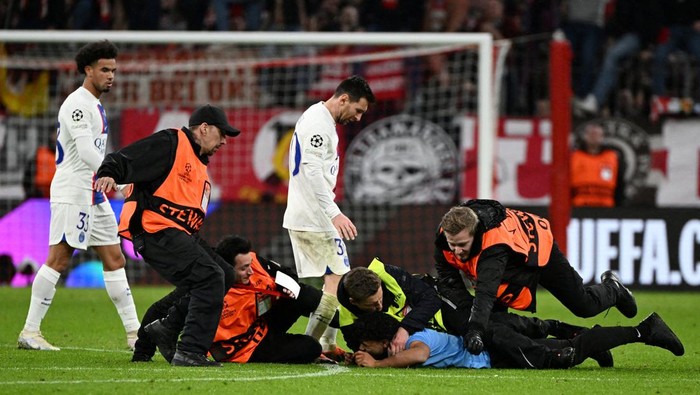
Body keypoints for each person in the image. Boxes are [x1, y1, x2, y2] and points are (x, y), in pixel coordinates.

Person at [93, 104, 241, 367]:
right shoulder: (171, 142)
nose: (224, 142)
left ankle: (158, 329)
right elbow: (126, 157)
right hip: (154, 229)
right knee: (209, 277)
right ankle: (190, 350)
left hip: (178, 233)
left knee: (224, 275)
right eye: (222, 133)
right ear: (204, 129)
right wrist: (108, 172)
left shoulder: (199, 166)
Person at [17, 40, 139, 352]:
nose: (111, 75)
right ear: (88, 70)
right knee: (58, 259)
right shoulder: (77, 104)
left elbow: (95, 151)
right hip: (73, 191)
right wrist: (120, 181)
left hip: (93, 192)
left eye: (113, 70)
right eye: (104, 69)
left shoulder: (95, 103)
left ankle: (135, 335)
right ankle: (30, 332)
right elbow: (85, 151)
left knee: (114, 258)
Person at [434, 199, 637, 356]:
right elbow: (449, 282)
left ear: (475, 233)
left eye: (462, 244)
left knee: (584, 306)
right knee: (495, 325)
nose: (457, 251)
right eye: (453, 244)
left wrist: (474, 330)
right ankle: (574, 341)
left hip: (539, 249)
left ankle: (613, 288)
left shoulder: (493, 246)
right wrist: (464, 321)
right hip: (508, 265)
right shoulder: (446, 237)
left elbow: (486, 291)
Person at [337, 259, 603, 369]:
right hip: (425, 328)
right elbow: (361, 342)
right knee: (493, 335)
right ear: (353, 302)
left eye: (380, 300)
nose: (379, 307)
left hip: (441, 308)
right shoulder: (346, 313)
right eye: (372, 307)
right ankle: (583, 343)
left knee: (489, 329)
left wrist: (404, 329)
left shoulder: (384, 274)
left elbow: (428, 298)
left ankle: (554, 330)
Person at [134, 235, 338, 364]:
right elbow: (159, 310)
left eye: (250, 264)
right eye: (243, 268)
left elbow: (286, 273)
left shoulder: (256, 262)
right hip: (246, 348)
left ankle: (353, 329)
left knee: (304, 294)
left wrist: (286, 286)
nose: (250, 271)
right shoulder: (208, 289)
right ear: (226, 268)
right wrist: (142, 353)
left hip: (265, 323)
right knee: (311, 347)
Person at [283, 75, 375, 358]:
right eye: (358, 110)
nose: (358, 118)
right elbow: (310, 171)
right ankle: (308, 347)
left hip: (313, 214)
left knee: (336, 281)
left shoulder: (321, 120)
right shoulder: (317, 123)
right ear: (343, 98)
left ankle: (323, 344)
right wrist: (335, 213)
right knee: (338, 282)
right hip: (314, 216)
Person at [345, 310, 684, 369]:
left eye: (364, 346)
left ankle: (644, 330)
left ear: (379, 339)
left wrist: (378, 362)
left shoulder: (415, 340)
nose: (362, 351)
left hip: (496, 351)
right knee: (558, 350)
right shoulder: (403, 339)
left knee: (563, 357)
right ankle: (595, 344)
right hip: (494, 342)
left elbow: (418, 356)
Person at [573, 0, 663, 115]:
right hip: (625, 35)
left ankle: (595, 100)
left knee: (613, 55)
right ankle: (595, 100)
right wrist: (611, 36)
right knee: (605, 57)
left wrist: (647, 46)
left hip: (640, 37)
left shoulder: (648, 4)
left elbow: (652, 21)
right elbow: (619, 19)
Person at [570, 122, 625, 207]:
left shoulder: (612, 157)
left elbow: (620, 184)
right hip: (579, 206)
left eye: (597, 134)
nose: (594, 137)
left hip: (606, 207)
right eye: (591, 134)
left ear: (602, 137)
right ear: (585, 136)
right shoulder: (574, 157)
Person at [22, 129, 57, 198]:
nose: (56, 137)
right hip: (39, 196)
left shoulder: (69, 156)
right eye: (54, 134)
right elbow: (27, 179)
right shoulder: (39, 155)